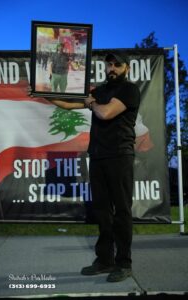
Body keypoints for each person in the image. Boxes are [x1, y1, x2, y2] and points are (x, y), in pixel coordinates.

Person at [45, 52, 140, 282]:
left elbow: (105, 113)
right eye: (109, 64)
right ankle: (105, 260)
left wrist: (92, 102)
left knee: (122, 212)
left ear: (126, 67)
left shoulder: (129, 90)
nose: (112, 68)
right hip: (97, 156)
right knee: (102, 211)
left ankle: (124, 263)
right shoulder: (100, 91)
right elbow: (67, 105)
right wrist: (43, 94)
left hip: (119, 156)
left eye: (117, 64)